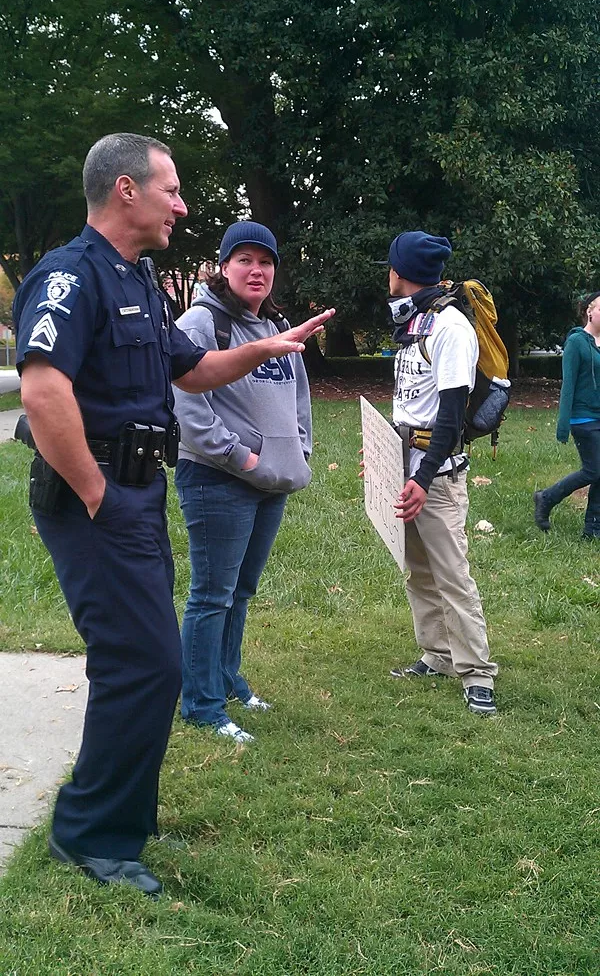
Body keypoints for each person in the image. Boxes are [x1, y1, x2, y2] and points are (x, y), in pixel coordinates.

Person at [12, 133, 333, 896]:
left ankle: (113, 818)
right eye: (173, 189)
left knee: (149, 662)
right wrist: (97, 492)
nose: (182, 205)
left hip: (135, 494)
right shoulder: (69, 277)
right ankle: (90, 837)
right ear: (126, 190)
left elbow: (190, 372)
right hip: (97, 498)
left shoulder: (139, 282)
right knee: (144, 663)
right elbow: (43, 390)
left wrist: (269, 347)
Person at [173, 221, 312, 743]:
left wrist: (298, 449)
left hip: (269, 480)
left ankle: (228, 681)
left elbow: (297, 396)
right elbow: (186, 399)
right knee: (212, 594)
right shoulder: (201, 323)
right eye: (245, 260)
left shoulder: (274, 325)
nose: (257, 270)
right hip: (217, 478)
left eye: (266, 261)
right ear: (224, 266)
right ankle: (202, 705)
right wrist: (238, 456)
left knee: (241, 591)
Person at [382, 230, 498, 715]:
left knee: (452, 574)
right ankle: (438, 654)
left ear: (400, 271)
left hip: (436, 477)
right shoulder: (416, 322)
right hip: (405, 468)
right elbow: (412, 401)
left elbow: (450, 417)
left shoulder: (451, 327)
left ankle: (478, 675)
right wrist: (385, 454)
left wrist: (423, 479)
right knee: (417, 570)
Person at [534, 293, 600, 539]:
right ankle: (546, 498)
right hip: (583, 418)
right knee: (593, 471)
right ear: (589, 312)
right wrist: (563, 424)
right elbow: (568, 384)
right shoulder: (576, 342)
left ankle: (593, 529)